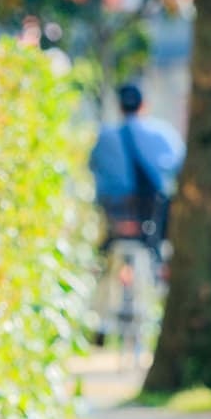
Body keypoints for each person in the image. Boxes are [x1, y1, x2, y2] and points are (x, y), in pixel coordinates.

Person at [89, 82, 184, 345]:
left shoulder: (104, 138)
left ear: (119, 107)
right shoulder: (164, 136)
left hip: (116, 224)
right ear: (144, 106)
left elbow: (94, 169)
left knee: (107, 265)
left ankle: (101, 322)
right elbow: (177, 168)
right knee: (157, 263)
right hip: (151, 227)